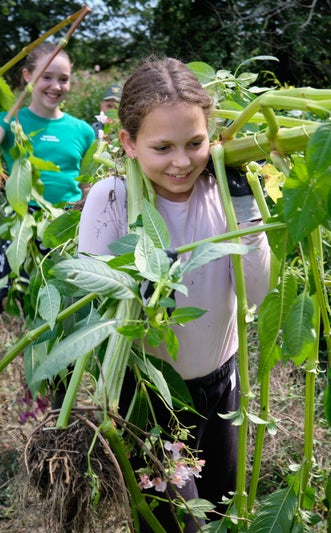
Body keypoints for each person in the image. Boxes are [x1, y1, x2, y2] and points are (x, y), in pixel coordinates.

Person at [77, 57, 271, 532]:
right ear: (128, 143)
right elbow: (94, 299)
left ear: (213, 136)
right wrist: (135, 279)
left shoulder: (223, 193)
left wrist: (246, 207)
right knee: (171, 522)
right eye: (162, 147)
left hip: (221, 382)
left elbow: (257, 292)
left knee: (222, 506)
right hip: (150, 395)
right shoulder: (112, 198)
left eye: (194, 143)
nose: (181, 162)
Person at [0, 41, 96, 316]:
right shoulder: (9, 121)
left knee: (69, 307)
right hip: (25, 227)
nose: (56, 86)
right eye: (47, 77)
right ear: (27, 76)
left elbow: (87, 188)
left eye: (64, 79)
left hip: (67, 229)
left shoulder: (83, 131)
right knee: (25, 305)